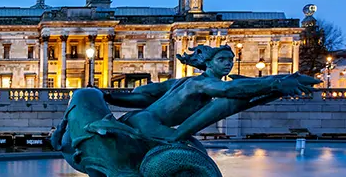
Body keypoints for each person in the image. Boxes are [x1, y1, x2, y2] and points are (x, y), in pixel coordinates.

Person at [51, 45, 320, 176]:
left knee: (189, 153)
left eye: (230, 60)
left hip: (140, 121)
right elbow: (228, 95)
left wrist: (272, 88)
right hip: (150, 126)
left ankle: (69, 143)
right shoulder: (203, 83)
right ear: (208, 61)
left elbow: (143, 96)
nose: (227, 64)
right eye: (222, 59)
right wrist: (275, 82)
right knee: (184, 152)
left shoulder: (184, 81)